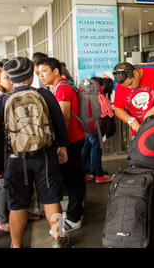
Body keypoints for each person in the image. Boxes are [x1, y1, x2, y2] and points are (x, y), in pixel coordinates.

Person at [0, 57, 69, 248]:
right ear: (30, 76)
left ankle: (17, 245)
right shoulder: (44, 95)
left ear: (10, 78)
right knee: (51, 198)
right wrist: (62, 146)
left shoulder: (2, 100)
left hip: (14, 158)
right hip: (44, 155)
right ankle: (57, 239)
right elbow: (59, 123)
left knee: (17, 205)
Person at [112, 61, 154, 243]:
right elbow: (118, 109)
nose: (130, 87)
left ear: (136, 73)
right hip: (138, 137)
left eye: (131, 84)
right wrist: (132, 122)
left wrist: (153, 111)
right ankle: (144, 212)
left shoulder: (153, 75)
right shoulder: (122, 85)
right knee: (141, 176)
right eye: (126, 86)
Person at [37, 57, 86, 233]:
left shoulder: (63, 88)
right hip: (75, 137)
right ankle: (76, 212)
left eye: (44, 71)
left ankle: (74, 217)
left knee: (73, 179)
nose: (40, 76)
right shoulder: (63, 85)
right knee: (74, 177)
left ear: (55, 71)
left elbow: (64, 120)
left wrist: (60, 144)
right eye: (39, 72)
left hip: (72, 140)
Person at [81, 77, 113, 184]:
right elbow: (105, 112)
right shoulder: (97, 94)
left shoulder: (85, 90)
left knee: (86, 148)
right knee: (96, 148)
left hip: (84, 124)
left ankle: (85, 172)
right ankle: (99, 175)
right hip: (94, 125)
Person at [0, 67, 13, 232]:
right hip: (0, 150)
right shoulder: (1, 100)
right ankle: (2, 219)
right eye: (7, 78)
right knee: (2, 183)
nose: (11, 81)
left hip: (4, 149)